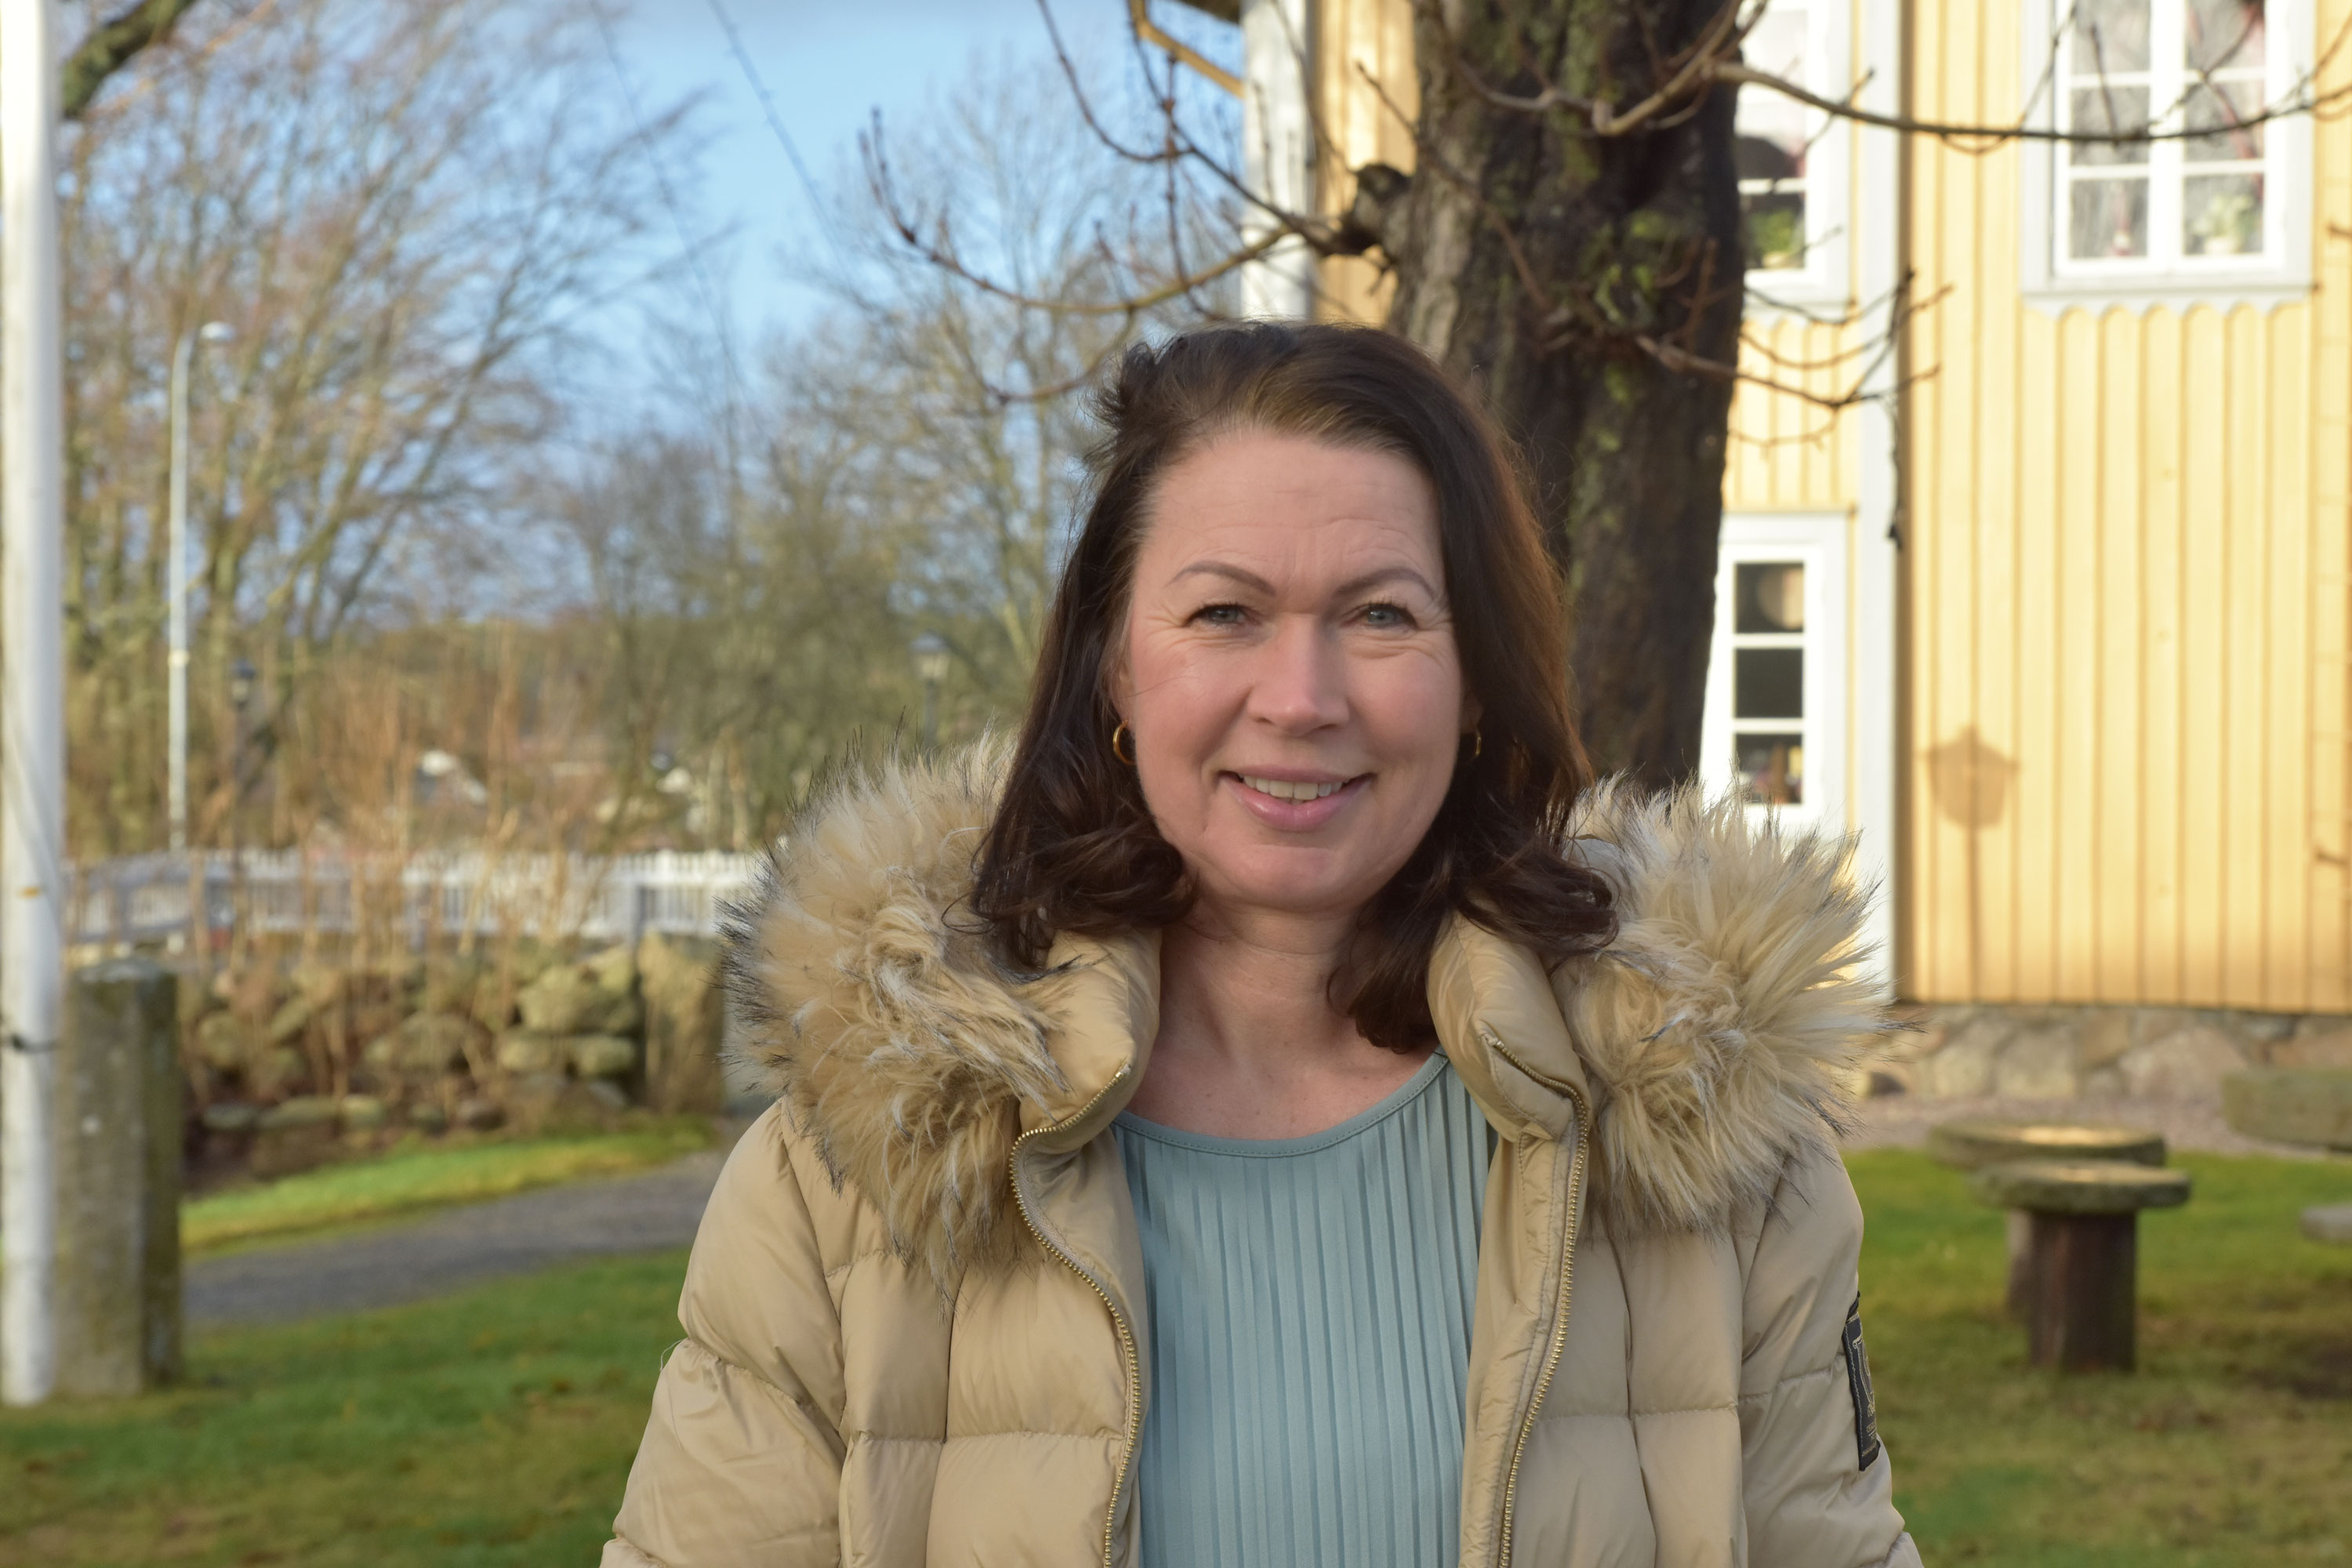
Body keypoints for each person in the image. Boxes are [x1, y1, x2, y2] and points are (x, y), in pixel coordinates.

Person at [601, 322, 1921, 1568]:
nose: (1301, 699)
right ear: (1117, 669)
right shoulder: (853, 1172)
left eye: (1383, 614)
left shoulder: (1715, 1155)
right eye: (1225, 614)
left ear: (1476, 684)